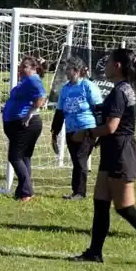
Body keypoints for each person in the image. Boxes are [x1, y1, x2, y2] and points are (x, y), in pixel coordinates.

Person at [71, 48, 136, 266]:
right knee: (100, 202)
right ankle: (94, 253)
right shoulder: (121, 87)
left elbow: (111, 127)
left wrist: (87, 133)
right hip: (112, 151)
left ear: (117, 66)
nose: (105, 65)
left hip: (121, 153)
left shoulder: (121, 91)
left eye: (108, 62)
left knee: (125, 207)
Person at [51, 57, 102, 200]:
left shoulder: (88, 86)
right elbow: (60, 112)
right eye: (66, 69)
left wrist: (100, 132)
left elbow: (99, 110)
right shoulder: (65, 89)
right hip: (70, 130)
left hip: (86, 128)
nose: (66, 72)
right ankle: (76, 191)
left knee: (80, 159)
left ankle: (80, 193)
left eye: (69, 69)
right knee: (76, 160)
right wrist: (54, 133)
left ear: (77, 71)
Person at [1, 56, 48, 201]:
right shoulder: (25, 81)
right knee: (24, 157)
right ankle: (22, 191)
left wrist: (30, 113)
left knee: (14, 157)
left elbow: (41, 97)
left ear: (33, 68)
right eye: (20, 66)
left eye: (24, 67)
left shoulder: (33, 79)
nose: (21, 69)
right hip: (16, 123)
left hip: (25, 124)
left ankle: (27, 190)